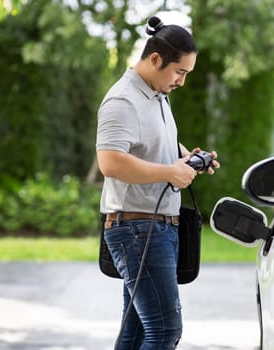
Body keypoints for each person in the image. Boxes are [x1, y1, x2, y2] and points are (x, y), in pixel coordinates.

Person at [96, 16, 219, 350]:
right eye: (179, 72)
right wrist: (169, 172)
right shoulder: (123, 100)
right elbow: (110, 161)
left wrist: (188, 157)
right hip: (137, 230)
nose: (181, 81)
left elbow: (153, 144)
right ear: (154, 60)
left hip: (154, 228)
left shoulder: (157, 95)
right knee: (165, 330)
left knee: (136, 333)